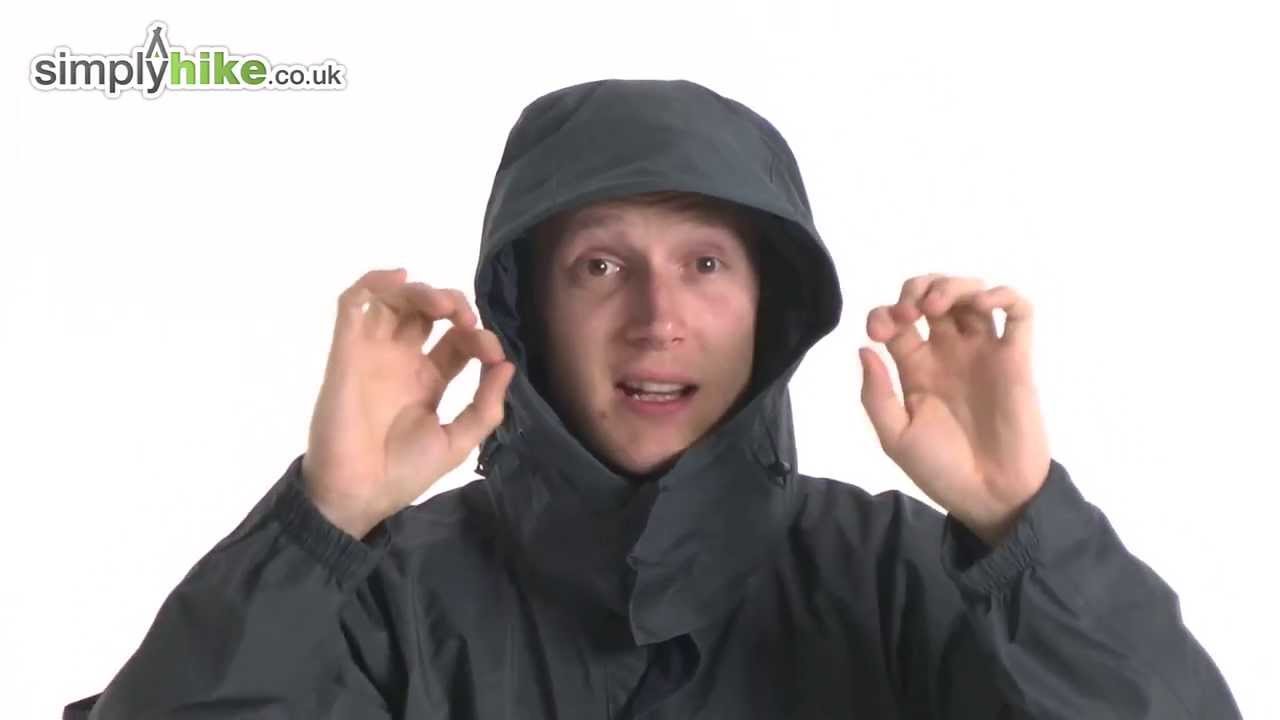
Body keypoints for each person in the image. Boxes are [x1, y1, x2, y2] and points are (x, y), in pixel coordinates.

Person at [65, 78, 1241, 719]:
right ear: (523, 310)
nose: (657, 317)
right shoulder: (384, 602)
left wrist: (1022, 523)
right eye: (597, 266)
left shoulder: (900, 581)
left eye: (706, 264)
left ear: (769, 308)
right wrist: (321, 525)